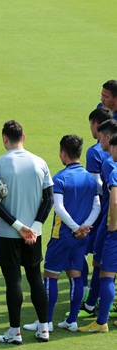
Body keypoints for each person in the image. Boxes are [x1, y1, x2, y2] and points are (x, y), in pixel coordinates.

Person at [0, 120, 53, 344]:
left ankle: (14, 333)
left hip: (8, 234)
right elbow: (48, 199)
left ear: (5, 138)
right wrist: (33, 228)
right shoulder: (40, 162)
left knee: (13, 281)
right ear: (23, 137)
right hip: (34, 235)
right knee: (35, 278)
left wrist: (18, 227)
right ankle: (44, 328)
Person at [24, 135, 100, 333]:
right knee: (75, 275)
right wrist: (85, 227)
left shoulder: (59, 178)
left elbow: (58, 207)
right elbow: (97, 207)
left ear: (63, 153)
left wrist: (75, 227)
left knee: (51, 275)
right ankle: (72, 320)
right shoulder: (90, 179)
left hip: (63, 235)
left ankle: (46, 321)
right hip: (83, 237)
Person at [77, 119, 117, 318]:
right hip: (107, 219)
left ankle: (96, 309)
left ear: (109, 138)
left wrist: (111, 225)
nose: (99, 142)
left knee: (102, 266)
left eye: (101, 137)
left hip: (108, 221)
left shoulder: (111, 164)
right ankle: (95, 303)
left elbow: (112, 198)